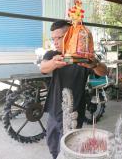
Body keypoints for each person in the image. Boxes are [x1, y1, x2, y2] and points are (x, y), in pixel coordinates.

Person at [40, 20, 108, 159]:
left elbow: (104, 71)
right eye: (54, 39)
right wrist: (54, 63)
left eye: (60, 37)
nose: (56, 42)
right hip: (54, 109)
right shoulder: (53, 54)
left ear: (72, 35)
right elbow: (43, 67)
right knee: (53, 145)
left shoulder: (84, 58)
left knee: (70, 149)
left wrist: (93, 64)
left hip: (75, 112)